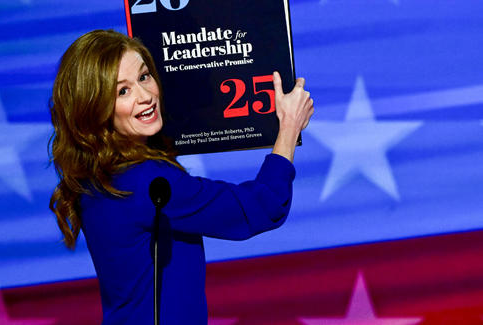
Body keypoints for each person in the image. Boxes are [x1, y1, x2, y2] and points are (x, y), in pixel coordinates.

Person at [49, 29, 313, 324]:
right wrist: (289, 126)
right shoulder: (149, 184)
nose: (145, 96)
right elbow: (264, 206)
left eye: (144, 76)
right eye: (122, 91)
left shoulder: (94, 178)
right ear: (95, 107)